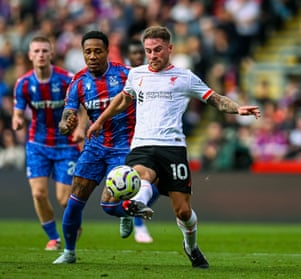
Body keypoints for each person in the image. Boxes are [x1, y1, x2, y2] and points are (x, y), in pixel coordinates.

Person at [87, 25, 261, 268]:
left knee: (183, 212)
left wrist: (238, 108)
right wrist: (100, 121)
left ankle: (190, 247)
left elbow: (215, 99)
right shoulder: (136, 75)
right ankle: (136, 203)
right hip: (143, 144)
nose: (152, 55)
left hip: (173, 148)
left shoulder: (184, 77)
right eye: (148, 51)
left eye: (157, 50)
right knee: (142, 174)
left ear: (170, 48)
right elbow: (122, 100)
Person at [52, 30, 159, 265]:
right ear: (82, 53)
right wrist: (65, 124)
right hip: (94, 148)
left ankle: (130, 210)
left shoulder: (125, 75)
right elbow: (66, 116)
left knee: (108, 206)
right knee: (74, 201)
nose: (92, 56)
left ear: (107, 52)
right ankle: (69, 252)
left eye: (97, 51)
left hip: (124, 147)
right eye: (87, 52)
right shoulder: (78, 82)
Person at [12, 36, 84, 251]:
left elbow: (83, 106)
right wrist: (16, 120)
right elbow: (17, 111)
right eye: (37, 51)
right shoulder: (24, 83)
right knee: (38, 194)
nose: (41, 54)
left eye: (45, 51)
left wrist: (80, 128)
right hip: (38, 144)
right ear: (30, 55)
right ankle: (54, 237)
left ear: (52, 54)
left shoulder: (66, 80)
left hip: (66, 145)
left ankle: (74, 223)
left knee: (64, 199)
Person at [123, 38, 153, 244]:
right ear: (128, 56)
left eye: (141, 53)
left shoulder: (153, 76)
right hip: (124, 138)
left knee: (153, 184)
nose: (138, 56)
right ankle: (136, 223)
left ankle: (133, 214)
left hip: (147, 137)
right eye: (134, 53)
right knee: (129, 181)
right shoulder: (124, 77)